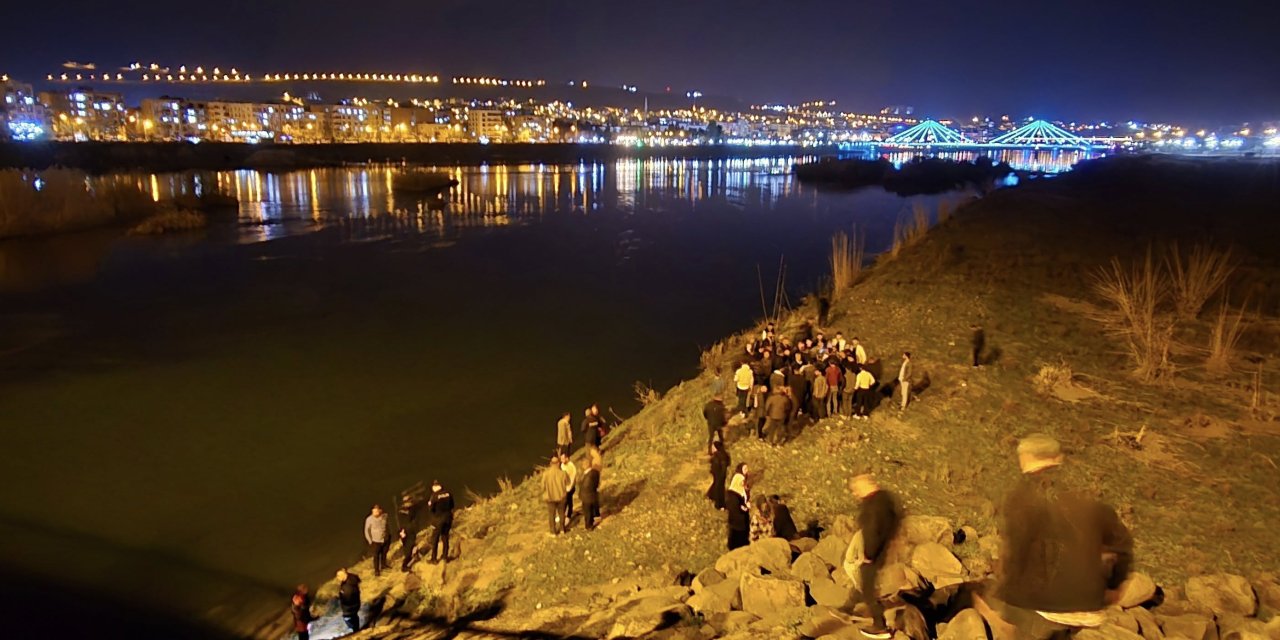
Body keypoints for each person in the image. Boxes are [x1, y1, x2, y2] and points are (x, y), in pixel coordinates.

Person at [992, 434, 1134, 640]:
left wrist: (1004, 593)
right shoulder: (1087, 491)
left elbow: (1016, 552)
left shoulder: (1022, 496)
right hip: (1089, 606)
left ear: (1025, 457)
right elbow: (1121, 546)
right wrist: (1113, 586)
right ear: (1058, 457)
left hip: (1041, 607)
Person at [850, 474, 901, 639]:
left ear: (865, 485)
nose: (855, 493)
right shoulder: (885, 499)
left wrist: (868, 554)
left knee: (868, 588)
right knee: (869, 587)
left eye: (856, 489)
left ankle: (880, 626)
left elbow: (873, 529)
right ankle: (853, 607)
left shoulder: (874, 504)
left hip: (875, 553)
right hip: (884, 548)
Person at [541, 454, 570, 535]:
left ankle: (553, 532)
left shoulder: (546, 474)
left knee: (551, 515)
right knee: (561, 514)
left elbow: (542, 487)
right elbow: (568, 483)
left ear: (551, 463)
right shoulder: (563, 473)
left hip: (550, 497)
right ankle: (562, 530)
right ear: (558, 463)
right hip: (561, 497)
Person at [426, 480, 454, 563]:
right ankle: (445, 556)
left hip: (438, 520)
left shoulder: (434, 496)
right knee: (445, 537)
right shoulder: (448, 493)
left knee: (435, 539)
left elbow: (431, 509)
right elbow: (452, 505)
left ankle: (434, 558)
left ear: (434, 487)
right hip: (448, 518)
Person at [725, 464, 750, 550]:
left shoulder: (740, 491)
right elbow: (735, 509)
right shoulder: (732, 495)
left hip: (741, 521)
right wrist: (744, 508)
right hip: (737, 523)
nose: (743, 483)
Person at [397, 495, 421, 571]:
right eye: (409, 501)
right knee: (408, 549)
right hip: (405, 532)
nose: (410, 503)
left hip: (411, 531)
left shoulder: (411, 509)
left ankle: (412, 560)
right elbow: (401, 523)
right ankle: (404, 566)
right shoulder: (402, 511)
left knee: (412, 545)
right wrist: (401, 532)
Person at [363, 505, 389, 577]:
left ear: (380, 511)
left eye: (377, 511)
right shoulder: (369, 519)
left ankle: (383, 565)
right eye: (373, 512)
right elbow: (366, 531)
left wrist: (388, 535)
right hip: (375, 541)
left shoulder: (385, 516)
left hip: (385, 539)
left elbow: (387, 525)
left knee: (384, 553)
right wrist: (370, 541)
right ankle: (377, 570)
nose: (375, 513)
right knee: (376, 556)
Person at [336, 568, 362, 634]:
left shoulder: (347, 588)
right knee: (355, 617)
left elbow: (347, 600)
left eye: (338, 576)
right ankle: (356, 628)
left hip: (350, 607)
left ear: (343, 575)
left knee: (347, 618)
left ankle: (354, 630)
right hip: (356, 603)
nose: (337, 578)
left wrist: (341, 596)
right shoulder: (351, 578)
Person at [706, 440, 730, 510]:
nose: (712, 448)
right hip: (720, 475)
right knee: (718, 488)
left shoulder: (718, 456)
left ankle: (719, 504)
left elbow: (720, 466)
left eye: (713, 447)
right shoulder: (723, 455)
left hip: (719, 475)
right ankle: (711, 496)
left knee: (718, 489)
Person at [579, 457, 602, 530]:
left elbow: (585, 486)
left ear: (585, 465)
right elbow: (597, 483)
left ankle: (588, 526)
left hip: (586, 496)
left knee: (587, 512)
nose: (582, 466)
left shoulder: (587, 476)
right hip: (593, 494)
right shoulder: (596, 472)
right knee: (591, 510)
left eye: (582, 465)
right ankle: (592, 521)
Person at [560, 453, 579, 522]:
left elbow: (573, 478)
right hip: (565, 487)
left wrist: (569, 488)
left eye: (563, 459)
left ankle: (568, 515)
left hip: (570, 487)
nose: (562, 460)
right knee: (565, 501)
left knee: (568, 501)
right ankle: (563, 514)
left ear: (567, 458)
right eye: (561, 459)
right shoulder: (562, 465)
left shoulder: (571, 466)